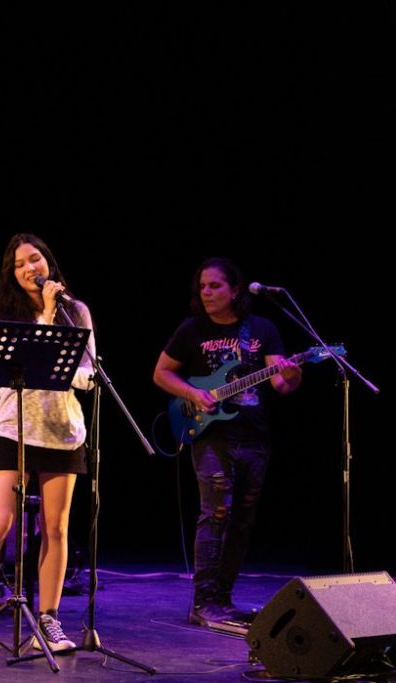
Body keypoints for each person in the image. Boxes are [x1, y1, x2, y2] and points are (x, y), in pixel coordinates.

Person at [0, 233, 95, 656]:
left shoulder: (77, 310)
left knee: (56, 527)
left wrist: (72, 372)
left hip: (61, 429)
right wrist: (46, 316)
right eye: (19, 264)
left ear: (48, 261)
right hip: (14, 426)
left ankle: (48, 621)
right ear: (11, 274)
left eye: (35, 259)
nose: (29, 268)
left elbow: (87, 373)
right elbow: (26, 366)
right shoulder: (5, 311)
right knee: (0, 522)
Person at [153, 257, 301, 627]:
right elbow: (161, 373)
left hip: (254, 435)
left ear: (235, 290)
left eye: (215, 286)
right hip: (211, 434)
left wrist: (293, 374)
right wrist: (193, 393)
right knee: (215, 513)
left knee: (243, 520)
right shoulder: (192, 329)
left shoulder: (261, 329)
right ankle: (202, 601)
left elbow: (280, 384)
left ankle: (222, 598)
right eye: (202, 286)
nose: (206, 292)